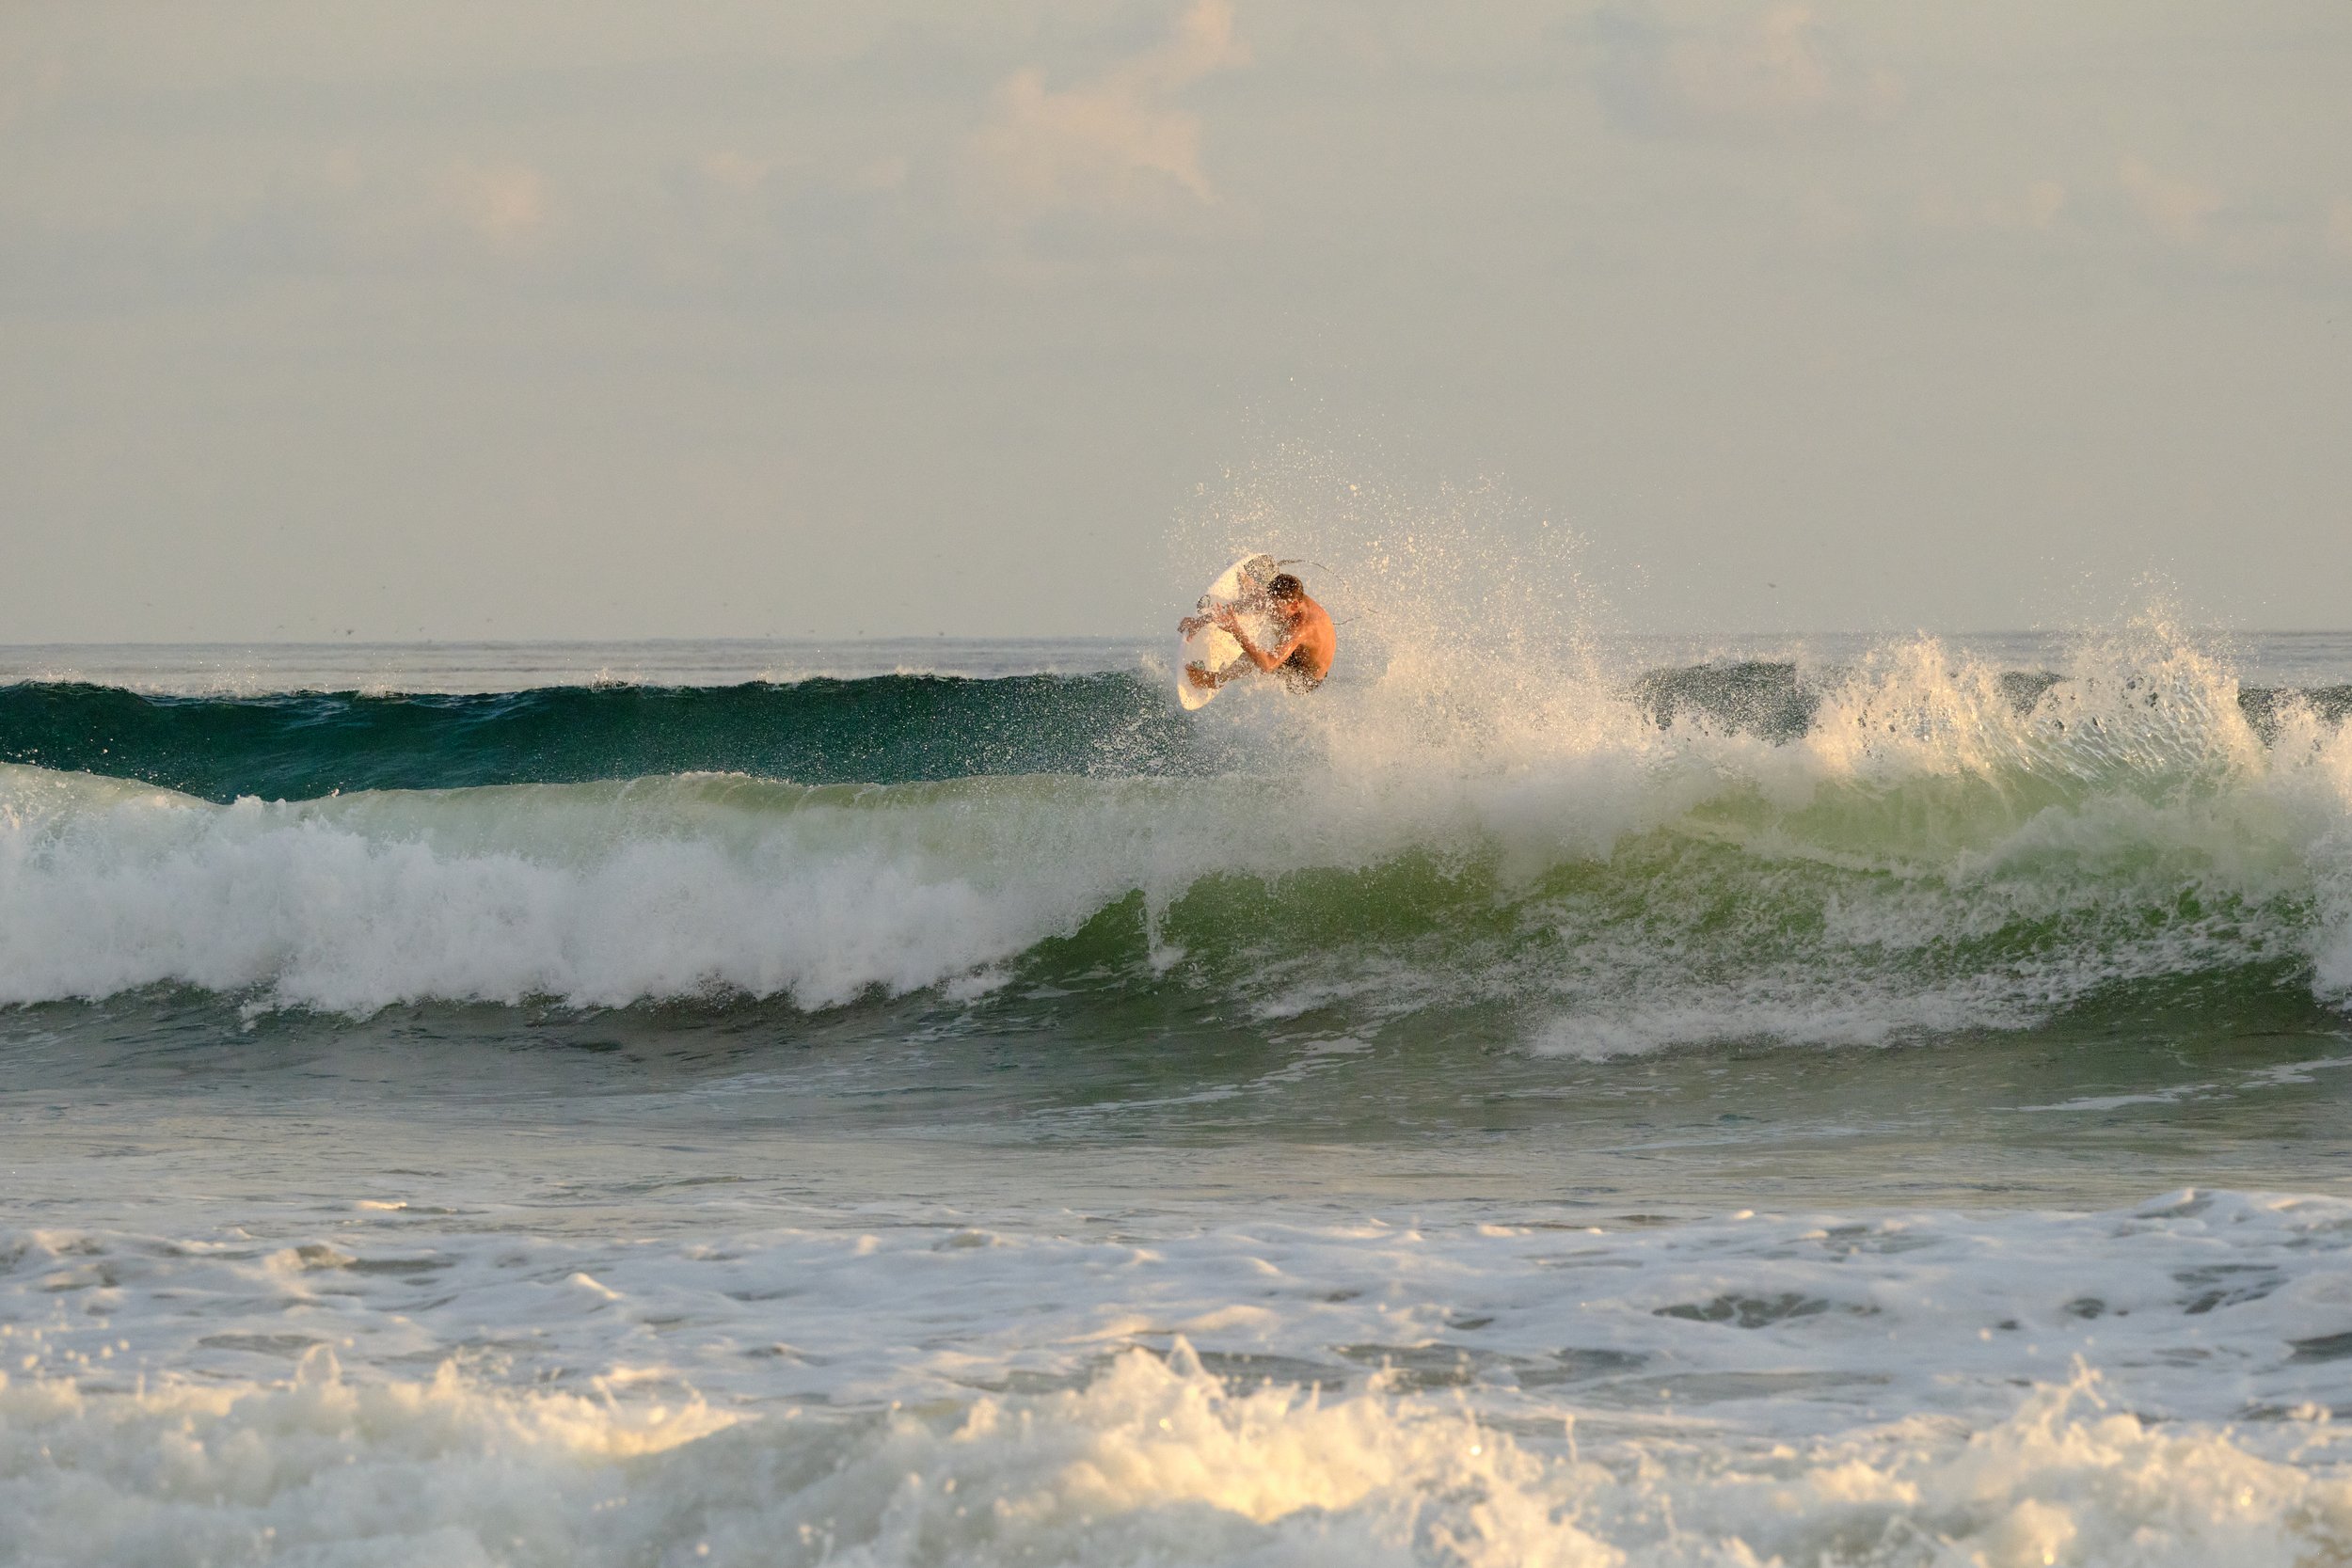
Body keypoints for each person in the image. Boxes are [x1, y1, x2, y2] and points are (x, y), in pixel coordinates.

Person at [1181, 572, 1335, 693]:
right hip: (1300, 650)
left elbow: (1268, 665)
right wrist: (1199, 622)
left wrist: (1235, 629)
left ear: (1295, 605)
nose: (1273, 611)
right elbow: (1263, 604)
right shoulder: (1291, 599)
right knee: (1260, 601)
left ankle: (1213, 681)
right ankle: (1252, 589)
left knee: (1253, 657)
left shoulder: (1302, 627)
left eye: (1277, 608)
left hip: (1304, 677)